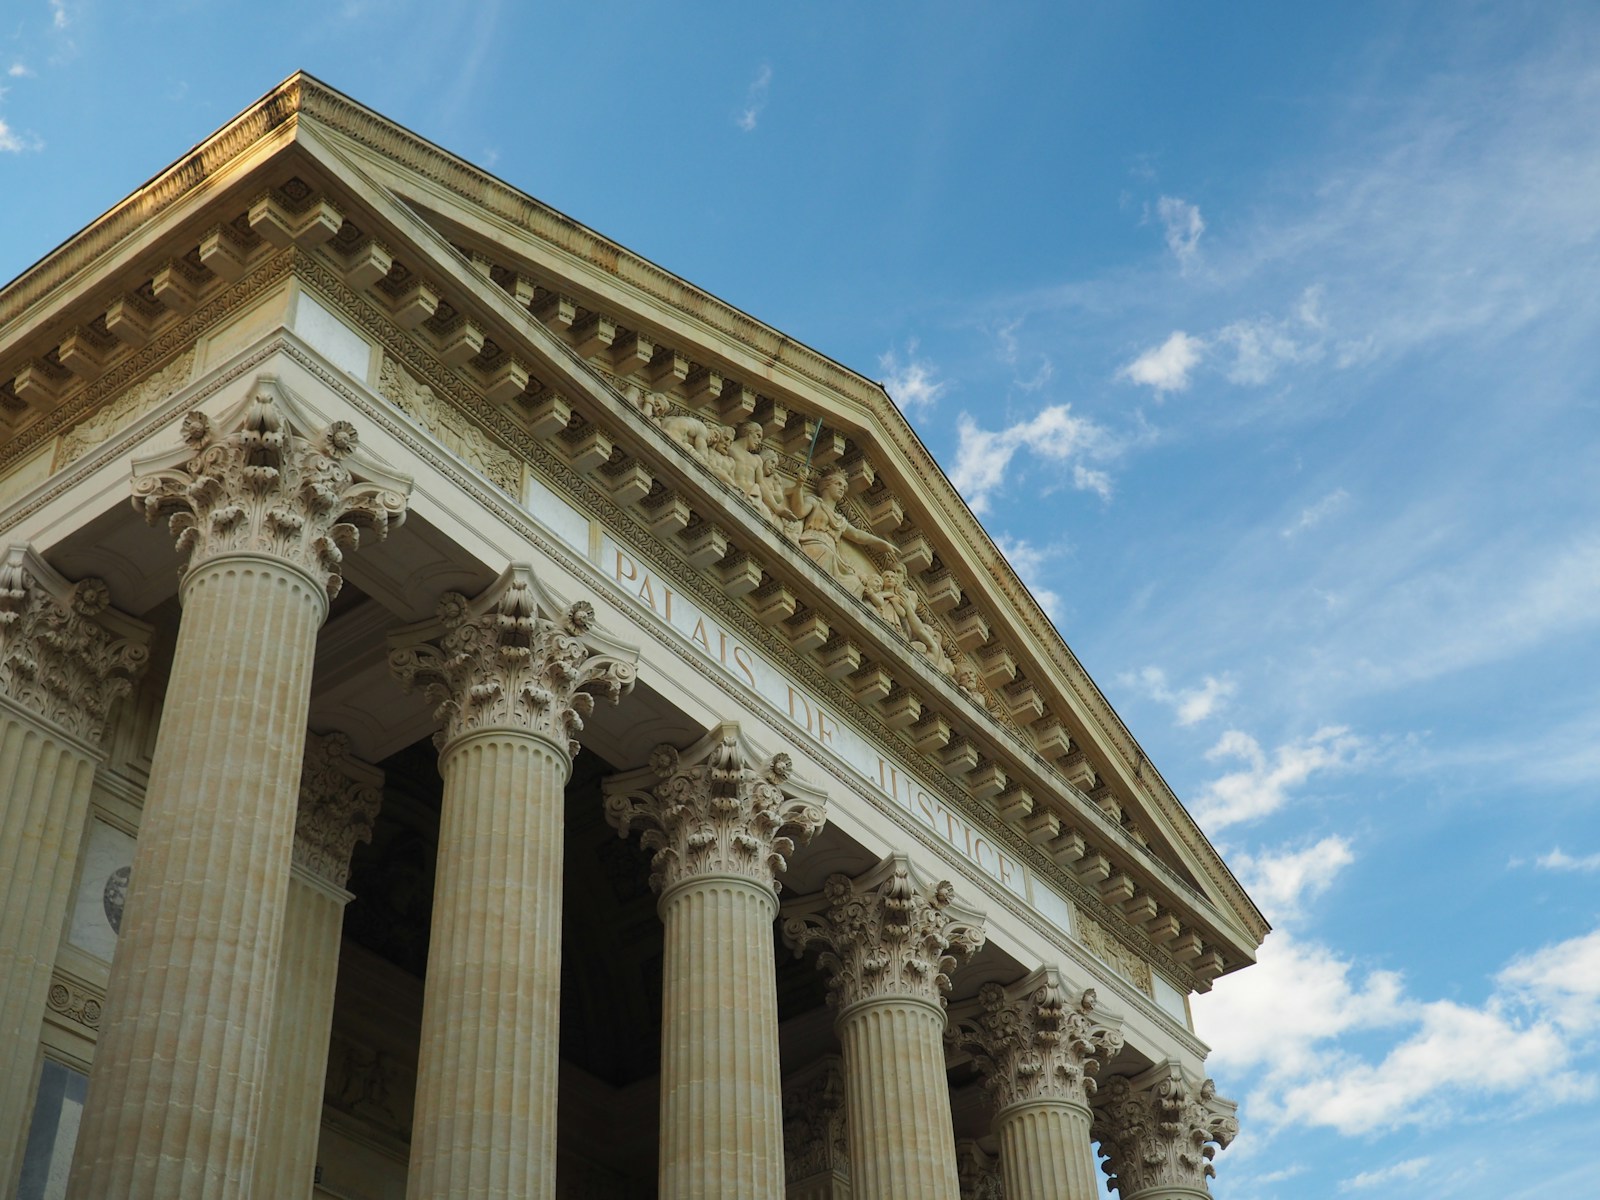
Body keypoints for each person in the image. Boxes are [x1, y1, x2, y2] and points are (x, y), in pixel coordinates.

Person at [787, 466, 897, 598]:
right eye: (838, 484)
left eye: (844, 487)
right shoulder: (815, 502)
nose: (841, 488)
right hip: (814, 543)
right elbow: (798, 512)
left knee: (855, 583)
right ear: (826, 485)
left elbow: (857, 535)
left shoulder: (840, 519)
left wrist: (881, 543)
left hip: (832, 554)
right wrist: (799, 485)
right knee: (827, 555)